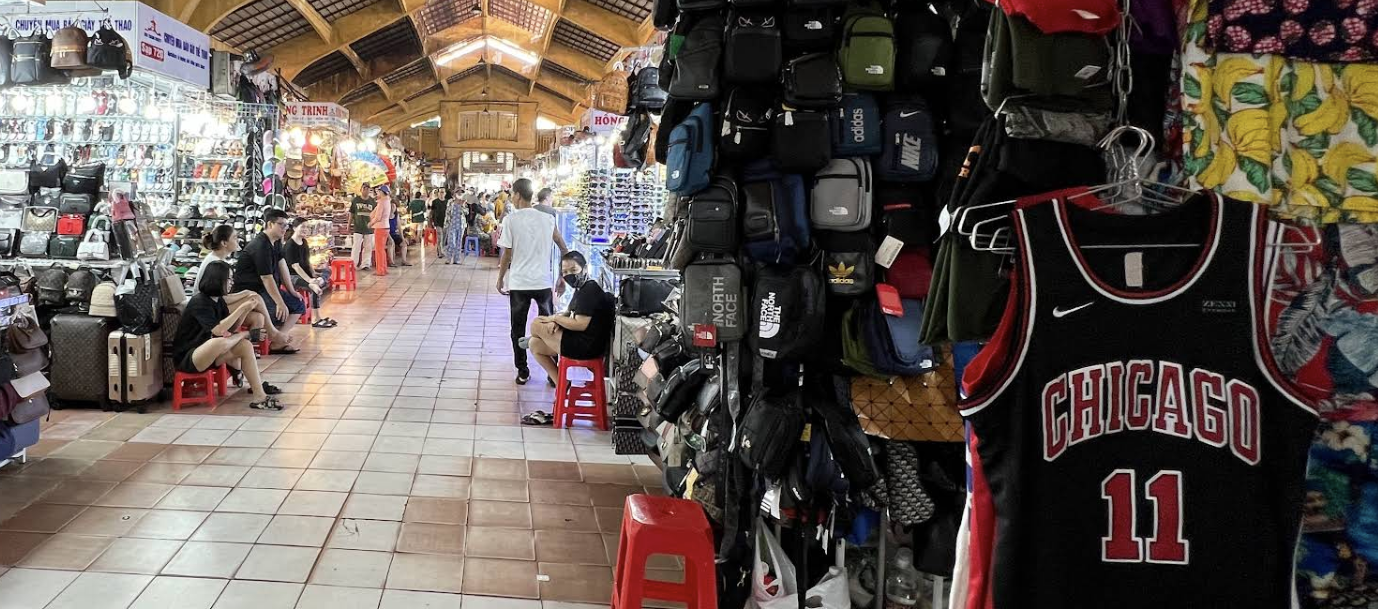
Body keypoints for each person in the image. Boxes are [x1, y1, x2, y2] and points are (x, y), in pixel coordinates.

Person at [175, 261, 282, 411]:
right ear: (218, 280)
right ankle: (239, 370)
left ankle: (260, 396)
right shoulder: (199, 302)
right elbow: (218, 331)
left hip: (209, 354)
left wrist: (245, 310)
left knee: (244, 346)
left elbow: (230, 330)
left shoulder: (218, 301)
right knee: (218, 342)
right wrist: (245, 327)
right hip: (189, 358)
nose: (232, 283)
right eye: (229, 279)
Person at [496, 178, 569, 385]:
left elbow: (507, 254)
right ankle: (552, 373)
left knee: (517, 329)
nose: (511, 197)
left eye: (512, 194)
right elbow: (563, 247)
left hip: (519, 283)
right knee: (550, 329)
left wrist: (501, 278)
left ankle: (523, 371)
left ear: (518, 195)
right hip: (543, 282)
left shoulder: (511, 220)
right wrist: (562, 275)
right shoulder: (547, 219)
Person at [522, 251, 614, 394]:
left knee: (536, 324)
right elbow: (569, 311)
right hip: (582, 341)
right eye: (565, 272)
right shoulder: (582, 287)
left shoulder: (589, 290)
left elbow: (580, 324)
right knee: (535, 344)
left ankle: (540, 336)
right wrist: (556, 321)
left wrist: (555, 319)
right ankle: (561, 385)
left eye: (573, 270)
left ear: (584, 268)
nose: (569, 275)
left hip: (587, 346)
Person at [197, 225, 290, 347]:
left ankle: (247, 348)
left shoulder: (220, 260)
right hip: (209, 308)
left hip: (218, 304)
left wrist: (245, 294)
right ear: (224, 243)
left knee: (258, 317)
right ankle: (273, 333)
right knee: (254, 298)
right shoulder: (214, 263)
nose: (238, 240)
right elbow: (218, 298)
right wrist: (245, 295)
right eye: (235, 238)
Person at [232, 208, 303, 353]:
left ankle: (278, 340)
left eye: (286, 225)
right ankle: (274, 337)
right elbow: (266, 278)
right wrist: (279, 302)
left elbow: (281, 263)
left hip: (265, 290)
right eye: (281, 225)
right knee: (277, 311)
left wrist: (291, 290)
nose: (285, 229)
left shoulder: (276, 242)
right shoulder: (260, 246)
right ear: (270, 224)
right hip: (251, 292)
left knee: (298, 304)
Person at [284, 217, 336, 329]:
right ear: (294, 228)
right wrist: (310, 280)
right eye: (302, 227)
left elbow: (307, 262)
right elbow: (296, 267)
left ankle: (319, 281)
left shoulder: (304, 242)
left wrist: (313, 275)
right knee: (314, 287)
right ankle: (315, 318)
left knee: (327, 270)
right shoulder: (290, 245)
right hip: (292, 276)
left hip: (305, 274)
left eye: (307, 227)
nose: (305, 229)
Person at [348, 184, 376, 271]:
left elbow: (375, 214)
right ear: (361, 190)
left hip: (369, 228)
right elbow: (351, 213)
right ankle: (353, 263)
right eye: (364, 188)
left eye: (368, 189)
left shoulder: (372, 201)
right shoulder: (355, 200)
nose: (366, 190)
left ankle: (366, 264)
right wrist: (348, 225)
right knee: (356, 246)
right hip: (358, 227)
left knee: (368, 247)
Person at [370, 185, 393, 275]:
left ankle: (380, 271)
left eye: (379, 191)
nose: (377, 193)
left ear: (382, 192)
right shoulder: (387, 202)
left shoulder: (382, 203)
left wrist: (371, 223)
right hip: (386, 227)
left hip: (380, 227)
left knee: (379, 250)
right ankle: (384, 269)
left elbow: (378, 217)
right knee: (382, 249)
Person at [443, 193, 467, 265]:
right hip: (452, 224)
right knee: (451, 242)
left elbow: (467, 212)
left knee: (459, 243)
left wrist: (462, 206)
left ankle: (457, 259)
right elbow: (447, 212)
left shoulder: (464, 202)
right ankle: (448, 258)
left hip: (461, 225)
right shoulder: (450, 202)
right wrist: (445, 224)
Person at [430, 188, 448, 258]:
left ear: (445, 193)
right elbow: (432, 212)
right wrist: (431, 221)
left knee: (444, 237)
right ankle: (440, 252)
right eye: (440, 192)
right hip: (437, 222)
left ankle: (441, 249)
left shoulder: (447, 202)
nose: (441, 194)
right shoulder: (435, 202)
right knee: (440, 237)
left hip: (445, 222)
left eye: (443, 192)